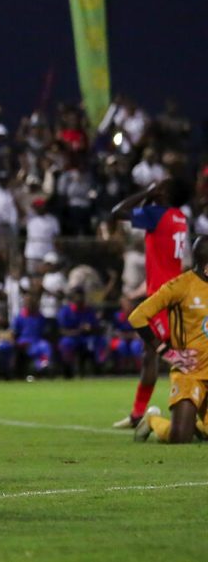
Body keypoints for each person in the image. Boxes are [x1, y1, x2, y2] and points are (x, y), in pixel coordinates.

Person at [111, 180, 188, 428]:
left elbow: (117, 212)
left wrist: (146, 192)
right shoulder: (179, 216)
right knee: (152, 355)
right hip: (175, 295)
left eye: (159, 186)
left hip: (160, 298)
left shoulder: (156, 214)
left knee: (174, 356)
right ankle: (136, 415)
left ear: (162, 193)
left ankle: (187, 413)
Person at [131, 236, 208, 443]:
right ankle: (153, 419)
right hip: (189, 372)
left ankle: (200, 428)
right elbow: (137, 316)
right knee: (179, 438)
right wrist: (166, 352)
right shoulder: (180, 286)